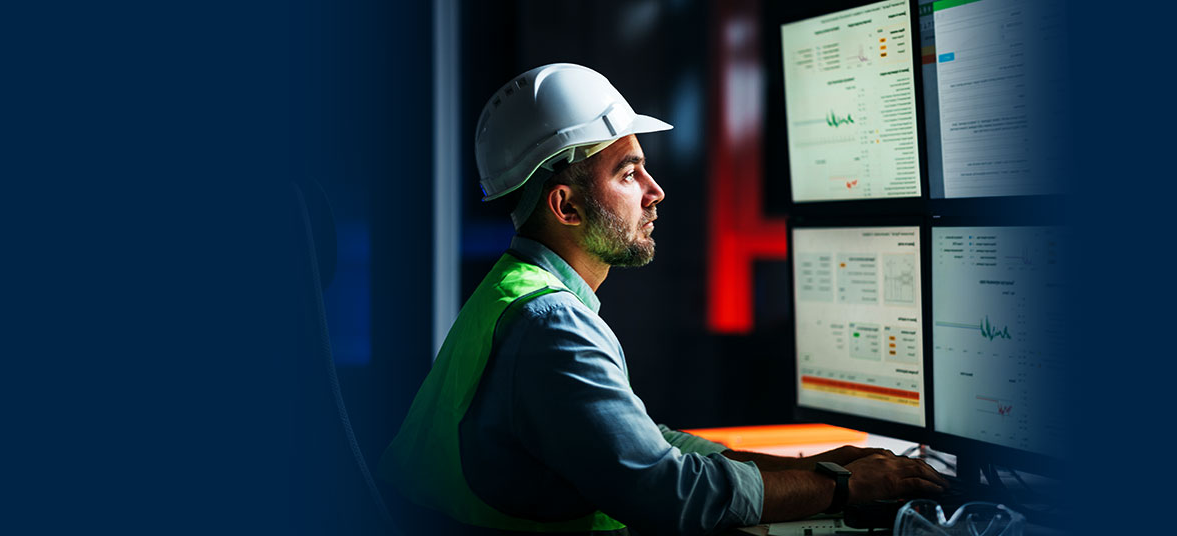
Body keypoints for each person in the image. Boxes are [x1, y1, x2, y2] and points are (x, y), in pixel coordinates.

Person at [377, 63, 947, 535]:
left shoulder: (519, 294)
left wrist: (816, 470)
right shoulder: (551, 325)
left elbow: (649, 445)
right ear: (565, 207)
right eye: (629, 173)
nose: (656, 192)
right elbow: (666, 493)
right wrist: (847, 488)